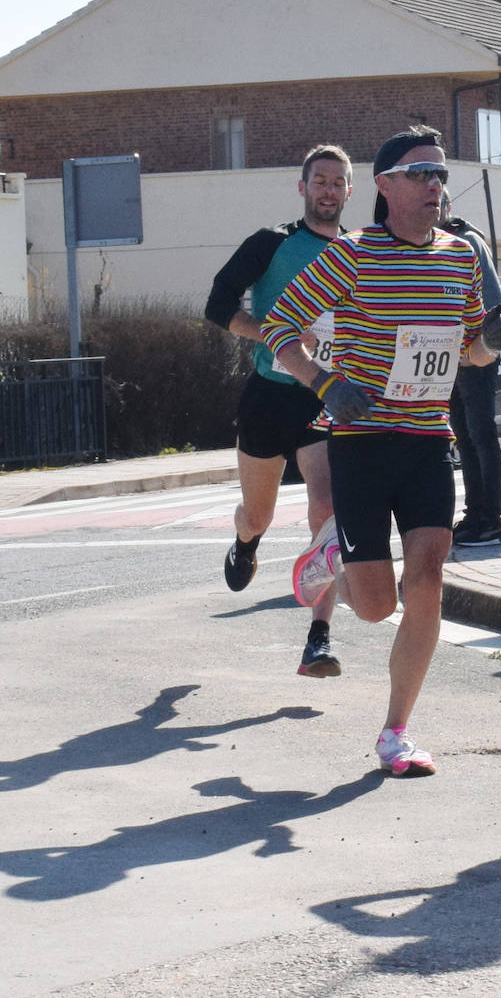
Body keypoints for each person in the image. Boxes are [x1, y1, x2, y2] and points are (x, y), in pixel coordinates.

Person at [263, 126, 500, 776]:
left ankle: (396, 731)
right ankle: (331, 560)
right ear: (386, 185)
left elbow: (472, 351)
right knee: (374, 608)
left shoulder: (460, 256)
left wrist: (497, 340)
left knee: (427, 578)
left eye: (441, 174)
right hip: (362, 442)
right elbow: (279, 327)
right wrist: (323, 381)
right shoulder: (353, 254)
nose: (435, 185)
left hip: (427, 440)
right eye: (421, 173)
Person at [205, 144, 353, 679]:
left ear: (349, 192)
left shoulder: (358, 250)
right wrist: (273, 332)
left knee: (326, 507)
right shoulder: (273, 243)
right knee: (260, 512)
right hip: (270, 393)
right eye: (320, 180)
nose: (328, 189)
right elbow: (218, 305)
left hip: (325, 396)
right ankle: (247, 541)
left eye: (338, 181)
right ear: (303, 187)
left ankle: (319, 636)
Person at [442, 209, 501, 547]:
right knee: (465, 436)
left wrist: (481, 348)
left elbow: (493, 306)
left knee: (481, 435)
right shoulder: (431, 246)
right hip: (452, 359)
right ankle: (475, 513)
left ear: (446, 206)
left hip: (477, 356)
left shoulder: (466, 241)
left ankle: (491, 519)